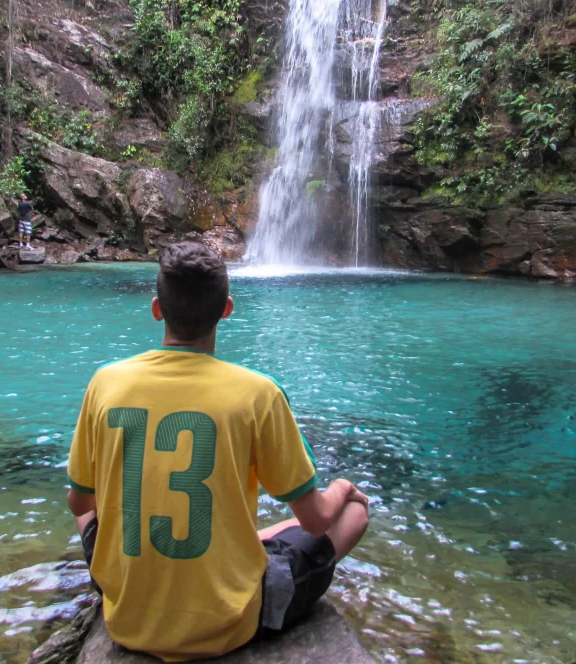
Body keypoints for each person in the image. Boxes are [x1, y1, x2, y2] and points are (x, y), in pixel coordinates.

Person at [66, 242, 369, 662]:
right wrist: (341, 488)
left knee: (87, 499)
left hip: (127, 617)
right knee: (353, 514)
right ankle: (252, 547)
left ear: (157, 308)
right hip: (226, 624)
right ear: (227, 309)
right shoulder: (257, 394)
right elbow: (315, 519)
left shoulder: (105, 383)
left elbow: (79, 502)